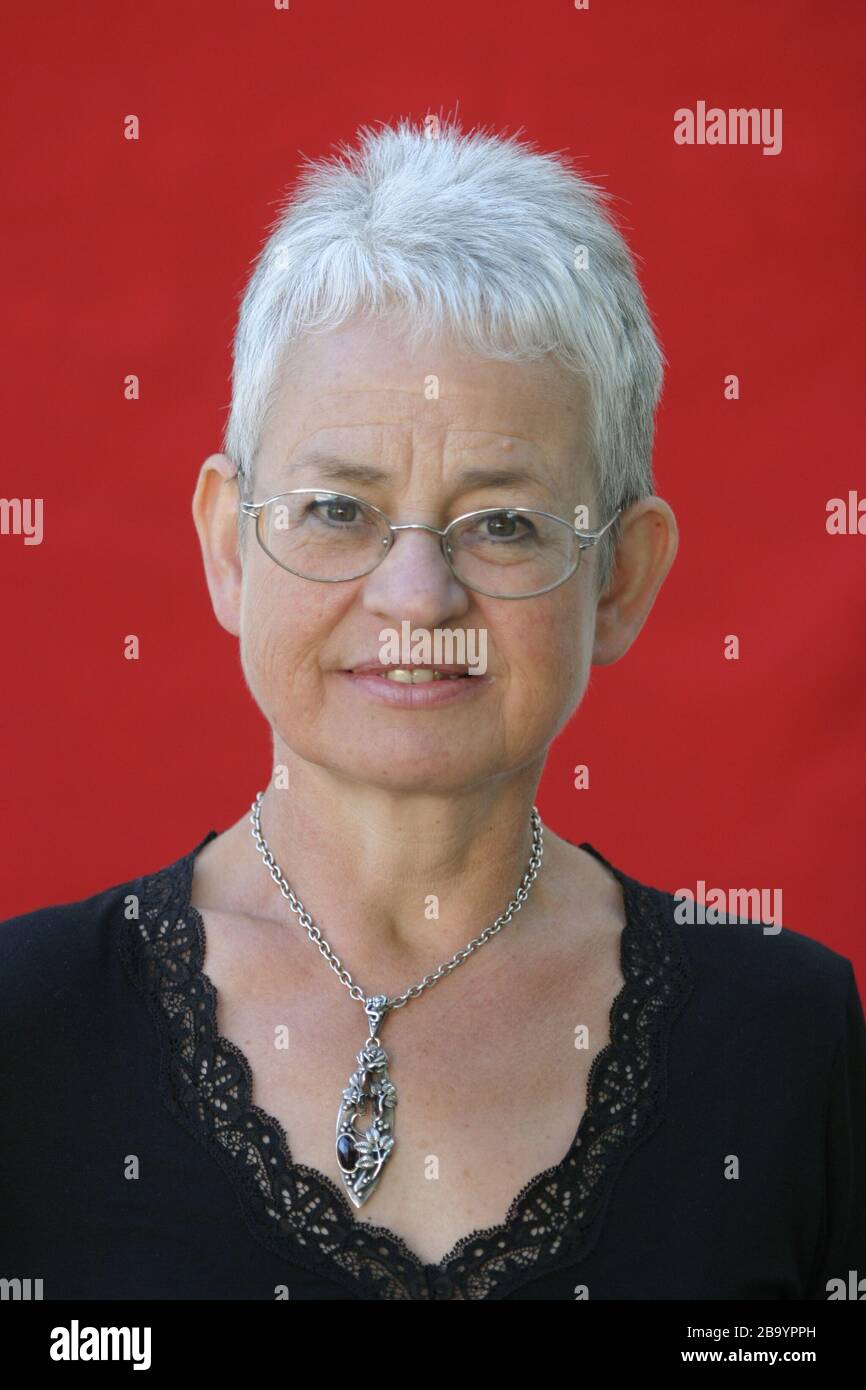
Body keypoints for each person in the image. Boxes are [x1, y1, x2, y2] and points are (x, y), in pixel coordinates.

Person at [1, 117, 863, 1302]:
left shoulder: (787, 1038)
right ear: (227, 548)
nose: (416, 595)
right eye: (338, 509)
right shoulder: (25, 1028)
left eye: (501, 522)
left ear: (620, 578)